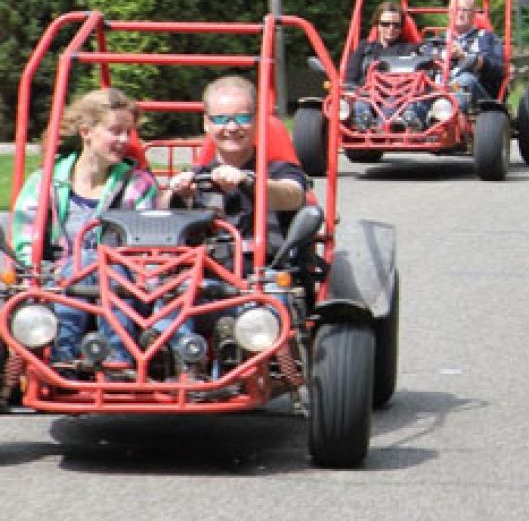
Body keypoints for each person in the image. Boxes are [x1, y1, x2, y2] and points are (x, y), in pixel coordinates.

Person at [8, 88, 159, 364]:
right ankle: (64, 359)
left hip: (123, 284)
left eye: (128, 132)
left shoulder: (138, 185)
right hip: (58, 282)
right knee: (85, 262)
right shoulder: (47, 182)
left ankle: (110, 361)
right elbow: (25, 242)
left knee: (97, 261)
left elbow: (148, 248)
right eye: (115, 131)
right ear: (86, 131)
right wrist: (34, 280)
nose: (124, 140)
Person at [166, 75, 307, 246]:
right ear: (206, 123)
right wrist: (178, 194)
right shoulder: (197, 175)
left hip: (262, 266)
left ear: (257, 120)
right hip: (204, 265)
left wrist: (248, 182)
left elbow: (294, 196)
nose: (232, 127)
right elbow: (162, 212)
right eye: (220, 119)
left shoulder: (279, 170)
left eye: (243, 118)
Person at [343, 1, 421, 129]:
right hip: (366, 94)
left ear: (402, 28)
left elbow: (427, 53)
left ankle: (382, 129)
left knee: (391, 103)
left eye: (396, 25)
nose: (391, 28)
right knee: (360, 102)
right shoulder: (364, 48)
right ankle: (363, 126)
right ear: (377, 25)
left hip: (395, 96)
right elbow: (350, 76)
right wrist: (351, 90)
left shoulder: (409, 49)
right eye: (385, 24)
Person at [429, 0, 504, 112]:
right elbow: (423, 58)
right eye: (456, 10)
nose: (460, 14)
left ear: (474, 14)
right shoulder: (438, 40)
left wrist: (466, 57)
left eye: (464, 10)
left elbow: (497, 67)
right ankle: (407, 121)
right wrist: (441, 56)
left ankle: (448, 116)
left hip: (476, 95)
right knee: (420, 84)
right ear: (449, 13)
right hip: (438, 88)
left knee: (465, 80)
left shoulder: (485, 37)